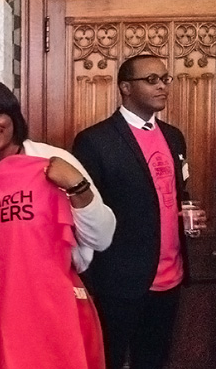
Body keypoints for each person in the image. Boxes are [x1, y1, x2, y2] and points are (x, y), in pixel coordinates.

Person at [0, 78, 115, 369]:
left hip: (49, 305)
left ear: (13, 114)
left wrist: (77, 187)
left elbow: (102, 238)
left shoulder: (53, 160)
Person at [72, 54, 207, 369]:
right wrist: (90, 282)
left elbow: (175, 192)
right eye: (151, 80)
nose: (161, 86)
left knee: (154, 360)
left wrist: (184, 212)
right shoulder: (94, 141)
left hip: (170, 278)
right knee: (109, 360)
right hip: (118, 282)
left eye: (164, 79)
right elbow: (83, 214)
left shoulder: (173, 136)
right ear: (125, 88)